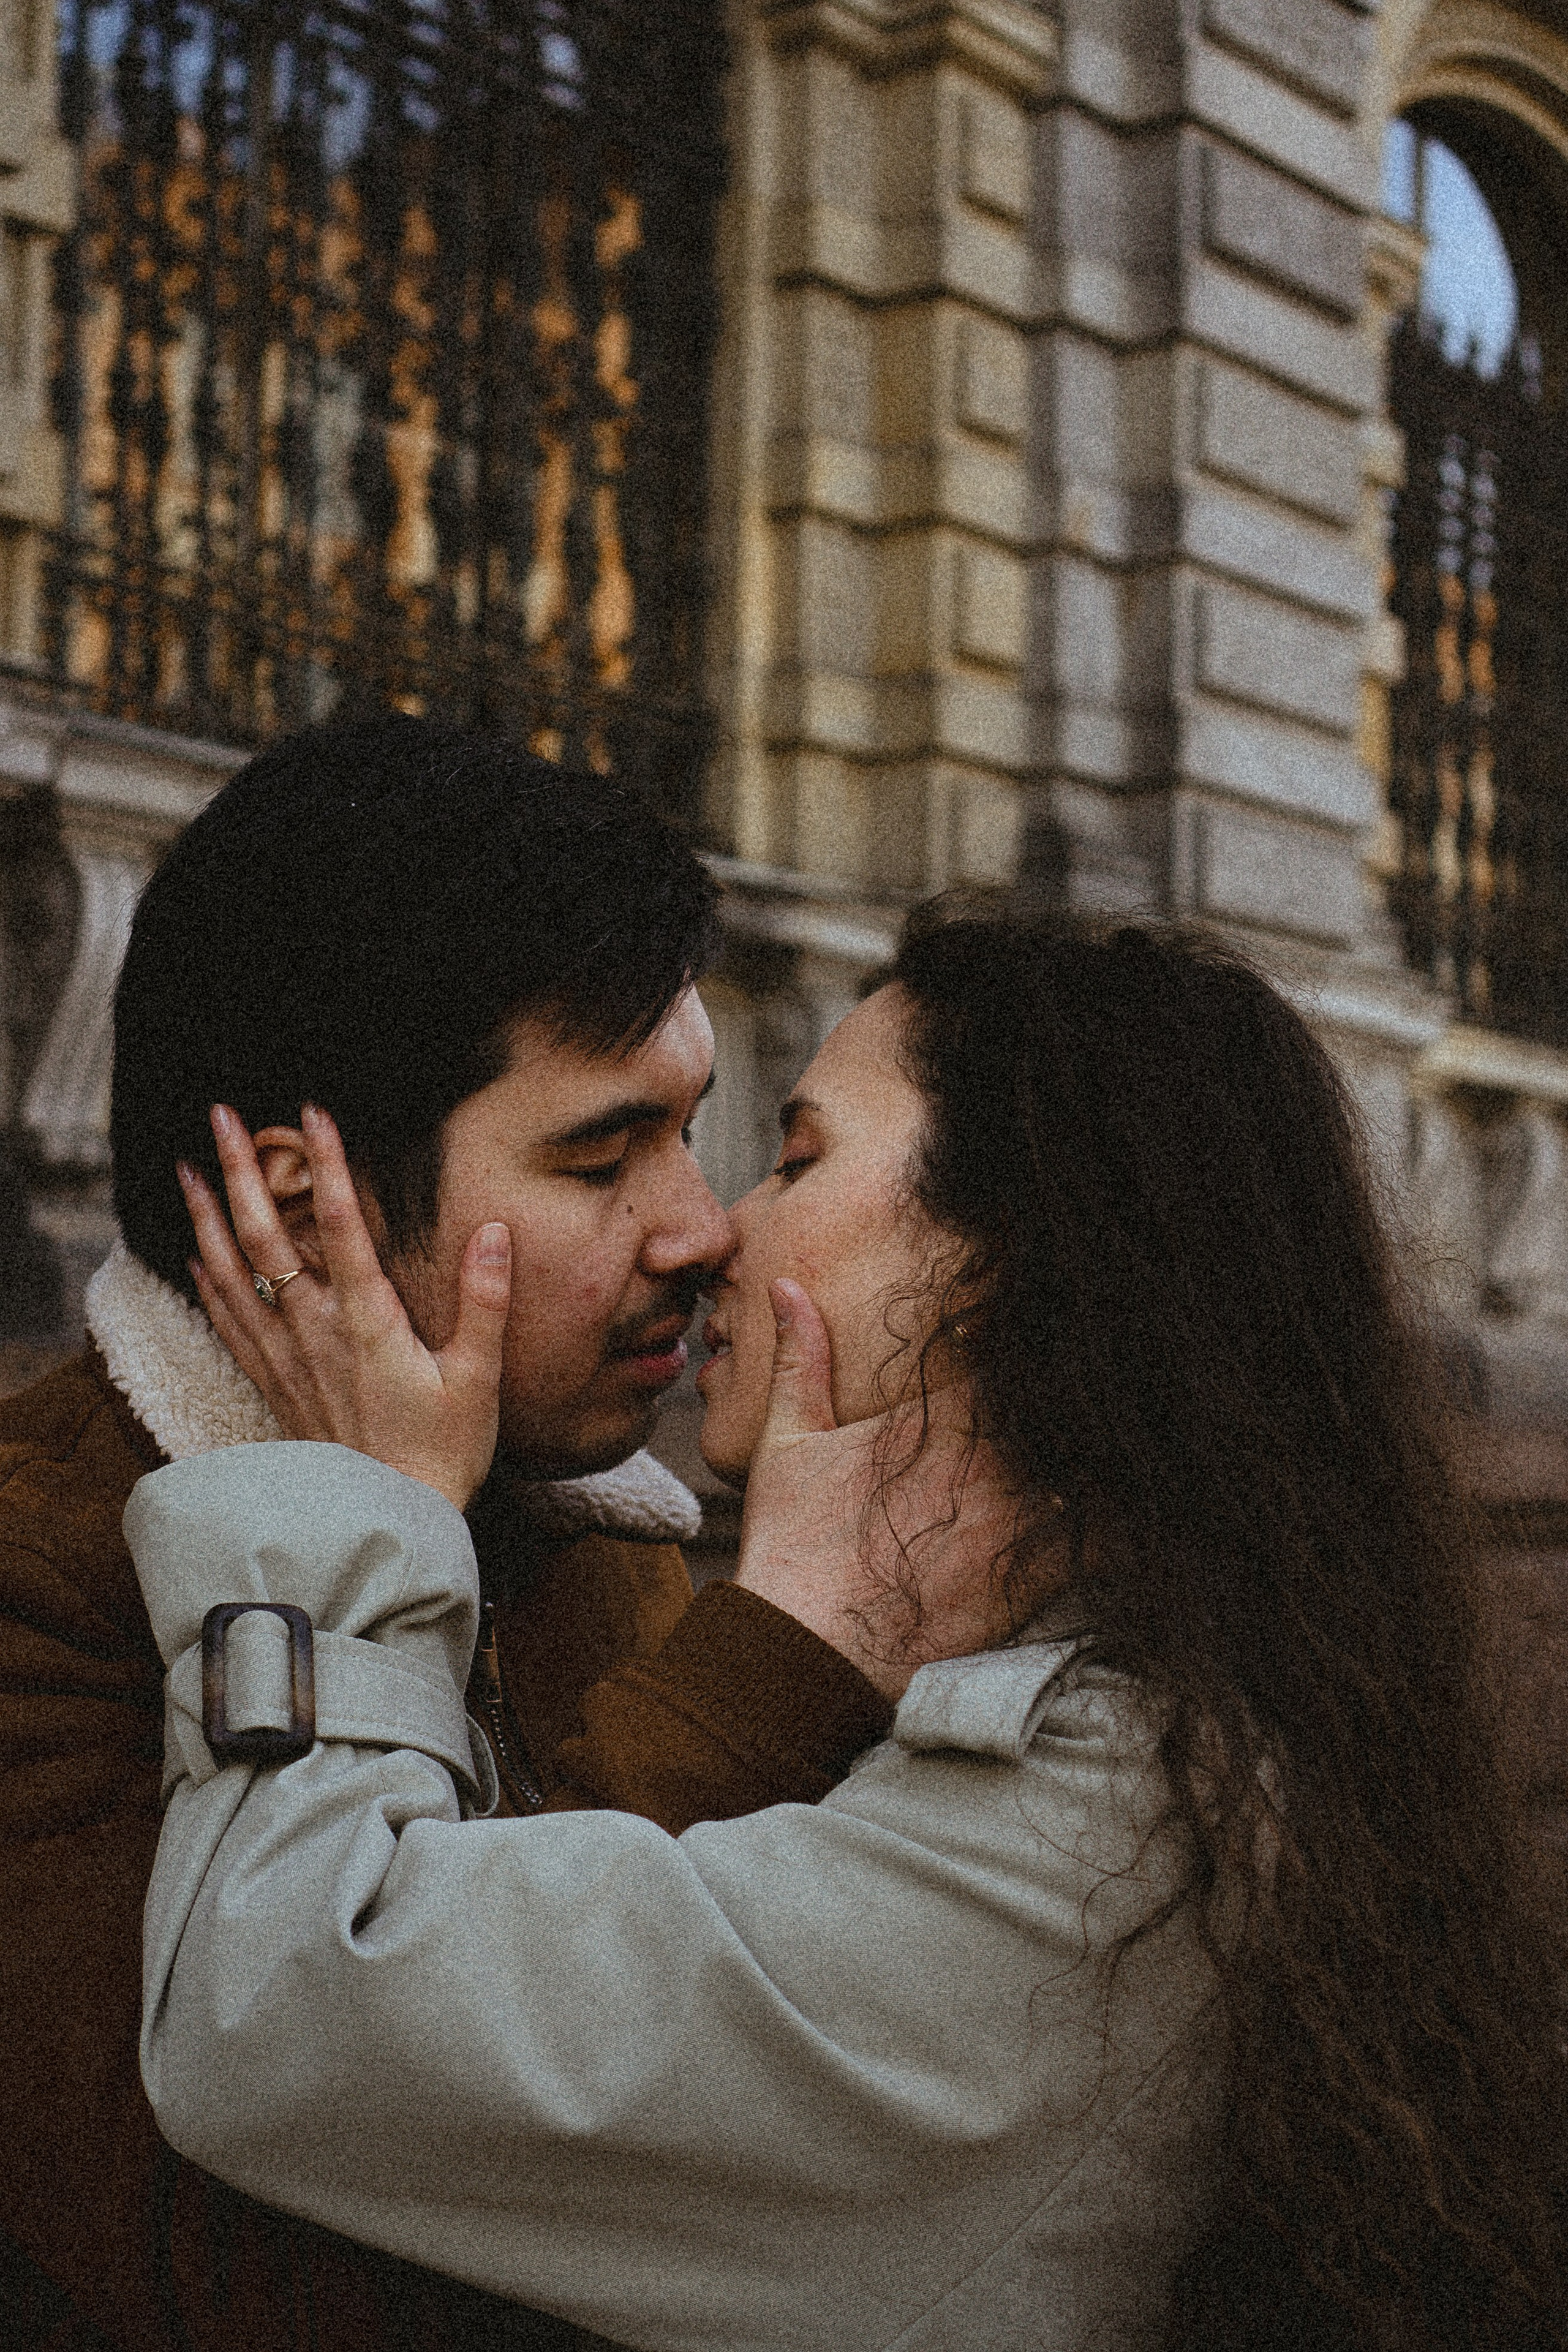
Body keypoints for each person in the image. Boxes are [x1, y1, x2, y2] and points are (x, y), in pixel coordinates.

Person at [129, 907, 1568, 2351]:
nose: (712, 1230)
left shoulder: (1088, 1850)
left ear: (1003, 1257)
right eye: (604, 1157)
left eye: (795, 1156)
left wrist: (354, 1509)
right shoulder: (1165, 1710)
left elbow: (275, 2013)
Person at [0, 718, 897, 2352]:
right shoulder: (41, 1578)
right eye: (601, 1154)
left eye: (692, 1131)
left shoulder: (589, 1520)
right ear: (291, 1208)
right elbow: (290, 2281)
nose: (699, 1228)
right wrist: (771, 1662)